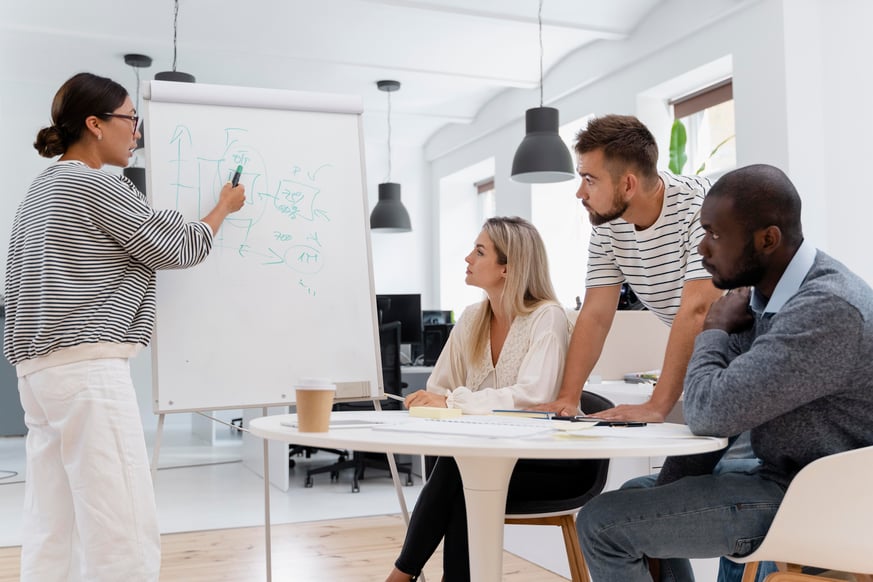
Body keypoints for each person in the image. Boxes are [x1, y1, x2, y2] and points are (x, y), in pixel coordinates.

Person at [576, 164, 873, 581]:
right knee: (637, 495)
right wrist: (667, 492)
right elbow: (720, 412)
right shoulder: (759, 300)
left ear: (767, 239)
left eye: (715, 234)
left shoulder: (826, 308)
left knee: (603, 524)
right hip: (785, 479)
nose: (701, 248)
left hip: (823, 501)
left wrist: (712, 329)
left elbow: (709, 412)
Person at [3, 72, 245, 581]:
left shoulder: (39, 190)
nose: (136, 131)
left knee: (53, 523)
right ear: (95, 124)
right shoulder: (96, 184)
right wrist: (222, 207)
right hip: (87, 372)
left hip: (37, 374)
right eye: (130, 119)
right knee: (121, 522)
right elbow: (174, 246)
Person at [385, 216, 576, 581]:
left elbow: (533, 397)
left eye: (480, 251)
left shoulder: (546, 317)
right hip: (483, 460)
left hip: (545, 462)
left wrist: (454, 403)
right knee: (467, 471)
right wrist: (433, 400)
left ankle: (400, 575)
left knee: (464, 470)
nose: (467, 258)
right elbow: (440, 387)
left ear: (507, 267)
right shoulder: (472, 319)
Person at [534, 114, 723, 423]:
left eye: (590, 179)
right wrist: (568, 398)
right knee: (675, 472)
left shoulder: (700, 208)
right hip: (710, 360)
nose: (580, 192)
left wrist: (657, 406)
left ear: (629, 184)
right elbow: (595, 315)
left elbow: (699, 309)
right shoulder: (609, 223)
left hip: (757, 353)